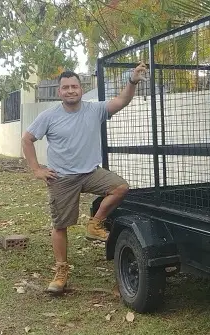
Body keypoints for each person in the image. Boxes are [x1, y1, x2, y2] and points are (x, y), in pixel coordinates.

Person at [21, 62, 147, 294]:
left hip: (90, 173)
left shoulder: (94, 109)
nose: (70, 91)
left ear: (81, 89)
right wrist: (37, 169)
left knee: (120, 187)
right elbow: (27, 139)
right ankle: (61, 271)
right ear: (59, 92)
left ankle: (94, 223)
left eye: (74, 87)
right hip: (61, 177)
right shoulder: (49, 116)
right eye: (66, 87)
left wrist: (132, 81)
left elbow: (121, 101)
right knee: (60, 226)